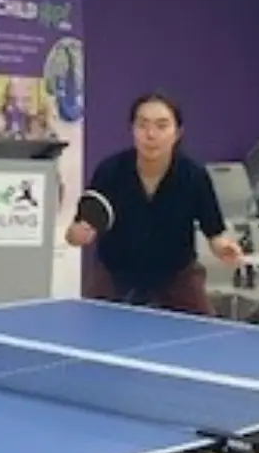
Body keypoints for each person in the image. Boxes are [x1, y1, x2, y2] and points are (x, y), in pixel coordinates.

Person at [67, 93, 242, 314]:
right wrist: (77, 235)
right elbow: (76, 232)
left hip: (176, 276)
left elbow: (215, 233)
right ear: (132, 129)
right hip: (114, 276)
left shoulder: (194, 176)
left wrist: (225, 248)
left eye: (162, 126)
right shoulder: (110, 171)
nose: (151, 135)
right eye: (143, 125)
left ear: (178, 133)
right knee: (92, 335)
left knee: (202, 336)